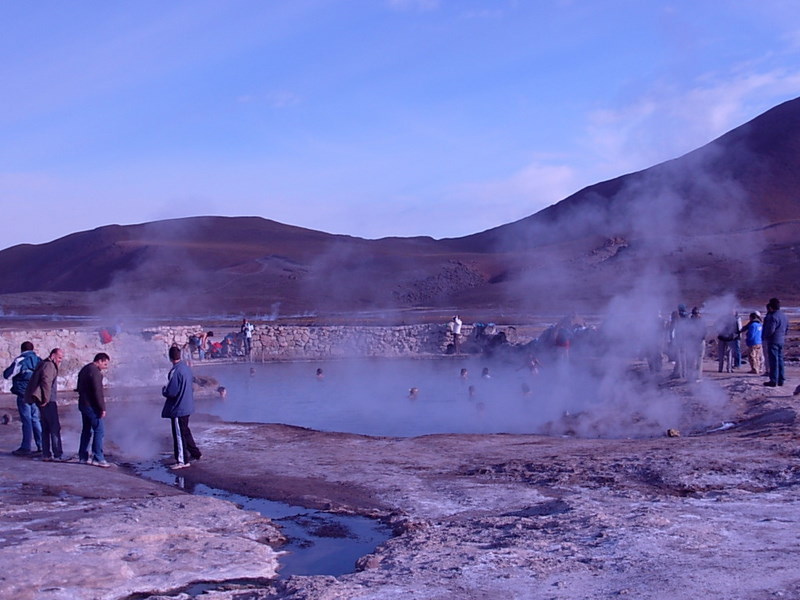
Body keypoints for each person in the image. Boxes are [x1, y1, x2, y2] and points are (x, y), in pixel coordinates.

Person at [162, 346, 201, 469]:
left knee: (179, 434)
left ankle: (182, 461)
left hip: (179, 407)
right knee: (185, 431)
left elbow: (172, 391)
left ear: (170, 357)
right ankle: (196, 453)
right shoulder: (186, 368)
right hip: (187, 405)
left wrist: (164, 391)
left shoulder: (175, 371)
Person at [24, 348, 65, 461]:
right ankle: (57, 454)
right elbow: (46, 382)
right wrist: (46, 399)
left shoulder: (45, 364)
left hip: (44, 400)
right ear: (53, 355)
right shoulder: (49, 365)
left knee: (46, 427)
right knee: (54, 427)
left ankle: (46, 454)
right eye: (59, 357)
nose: (60, 360)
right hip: (48, 401)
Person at [3, 341, 42, 456]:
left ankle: (26, 447)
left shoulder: (20, 360)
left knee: (27, 420)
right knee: (35, 419)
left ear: (22, 349)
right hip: (35, 394)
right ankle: (41, 445)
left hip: (23, 394)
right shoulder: (39, 360)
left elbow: (7, 375)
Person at [77, 353, 111, 467]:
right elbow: (98, 392)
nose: (105, 367)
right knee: (99, 430)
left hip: (83, 404)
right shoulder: (96, 373)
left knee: (86, 430)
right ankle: (98, 457)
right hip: (92, 406)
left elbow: (79, 387)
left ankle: (83, 456)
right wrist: (102, 408)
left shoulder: (85, 369)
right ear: (100, 361)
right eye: (105, 364)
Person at [763, 298, 789, 387]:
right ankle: (781, 379)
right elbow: (786, 328)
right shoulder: (784, 316)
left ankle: (773, 380)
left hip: (773, 340)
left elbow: (770, 330)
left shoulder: (773, 317)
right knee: (780, 360)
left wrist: (765, 336)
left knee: (773, 360)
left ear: (770, 306)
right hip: (781, 340)